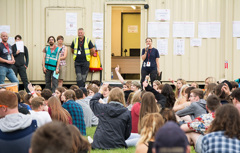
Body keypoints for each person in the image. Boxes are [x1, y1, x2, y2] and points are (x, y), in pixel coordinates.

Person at [89, 85, 131, 149]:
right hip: (117, 143)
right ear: (122, 97)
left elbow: (93, 101)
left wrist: (101, 90)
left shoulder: (103, 108)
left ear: (110, 96)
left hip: (100, 143)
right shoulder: (126, 112)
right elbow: (127, 133)